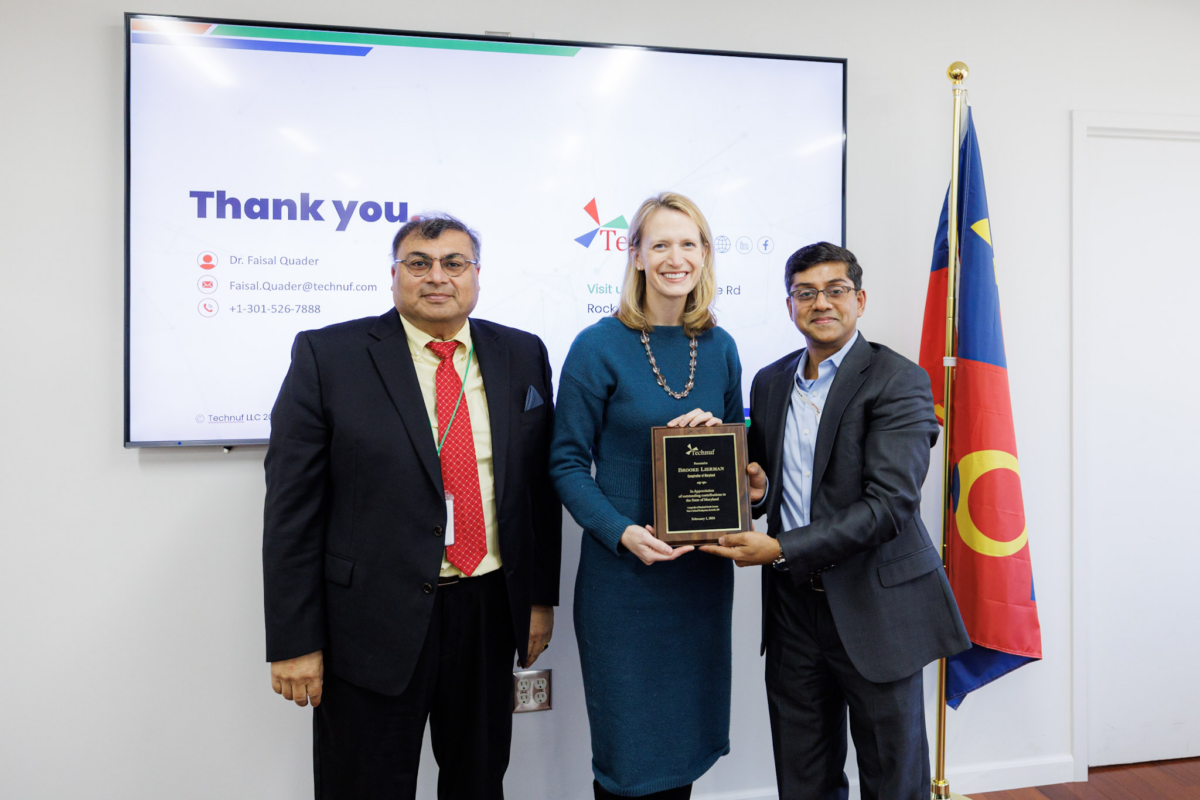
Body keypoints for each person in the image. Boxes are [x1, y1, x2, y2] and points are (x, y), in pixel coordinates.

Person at [262, 214, 561, 799]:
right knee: (365, 785)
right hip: (371, 621)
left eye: (454, 263)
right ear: (394, 274)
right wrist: (295, 640)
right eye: (418, 264)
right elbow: (291, 512)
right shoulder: (330, 356)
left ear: (476, 275)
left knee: (478, 782)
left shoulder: (521, 353)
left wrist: (538, 599)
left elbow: (538, 492)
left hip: (487, 609)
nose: (437, 277)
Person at [702, 242, 970, 800]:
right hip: (794, 609)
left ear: (859, 299)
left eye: (835, 290)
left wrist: (779, 547)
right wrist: (757, 490)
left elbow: (889, 506)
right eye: (806, 292)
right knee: (803, 777)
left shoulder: (898, 379)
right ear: (790, 305)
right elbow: (775, 483)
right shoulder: (770, 382)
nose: (821, 302)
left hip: (875, 606)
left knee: (892, 780)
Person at [550, 192, 751, 800]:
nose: (675, 257)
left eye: (688, 243)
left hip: (698, 583)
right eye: (659, 244)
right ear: (634, 254)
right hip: (625, 586)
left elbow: (738, 455)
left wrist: (749, 477)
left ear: (705, 256)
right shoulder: (597, 345)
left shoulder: (720, 347)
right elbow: (564, 463)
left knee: (684, 748)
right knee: (629, 757)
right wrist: (620, 531)